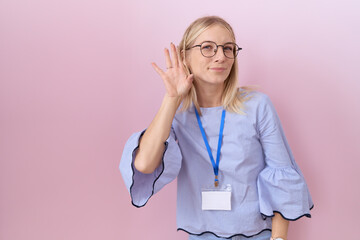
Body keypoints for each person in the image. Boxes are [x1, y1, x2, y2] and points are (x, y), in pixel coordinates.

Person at [119, 16, 314, 240]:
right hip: (202, 235)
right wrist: (171, 98)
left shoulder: (258, 105)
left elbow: (282, 175)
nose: (221, 56)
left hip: (259, 234)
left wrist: (278, 239)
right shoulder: (177, 114)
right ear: (185, 56)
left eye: (228, 48)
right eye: (208, 48)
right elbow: (144, 164)